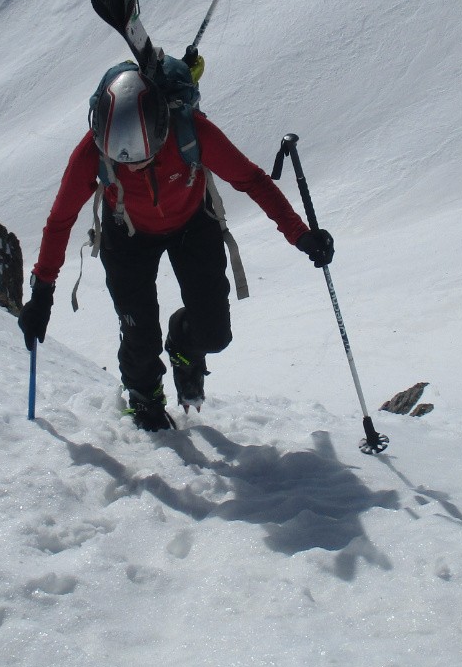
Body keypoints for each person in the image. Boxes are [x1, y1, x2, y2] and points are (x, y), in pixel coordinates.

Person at [19, 67, 334, 430]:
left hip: (192, 224)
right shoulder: (92, 152)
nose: (132, 166)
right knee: (140, 337)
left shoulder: (191, 131)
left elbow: (251, 180)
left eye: (142, 156)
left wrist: (300, 234)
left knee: (214, 334)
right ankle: (144, 396)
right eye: (122, 160)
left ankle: (184, 343)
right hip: (127, 235)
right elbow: (61, 219)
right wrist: (42, 292)